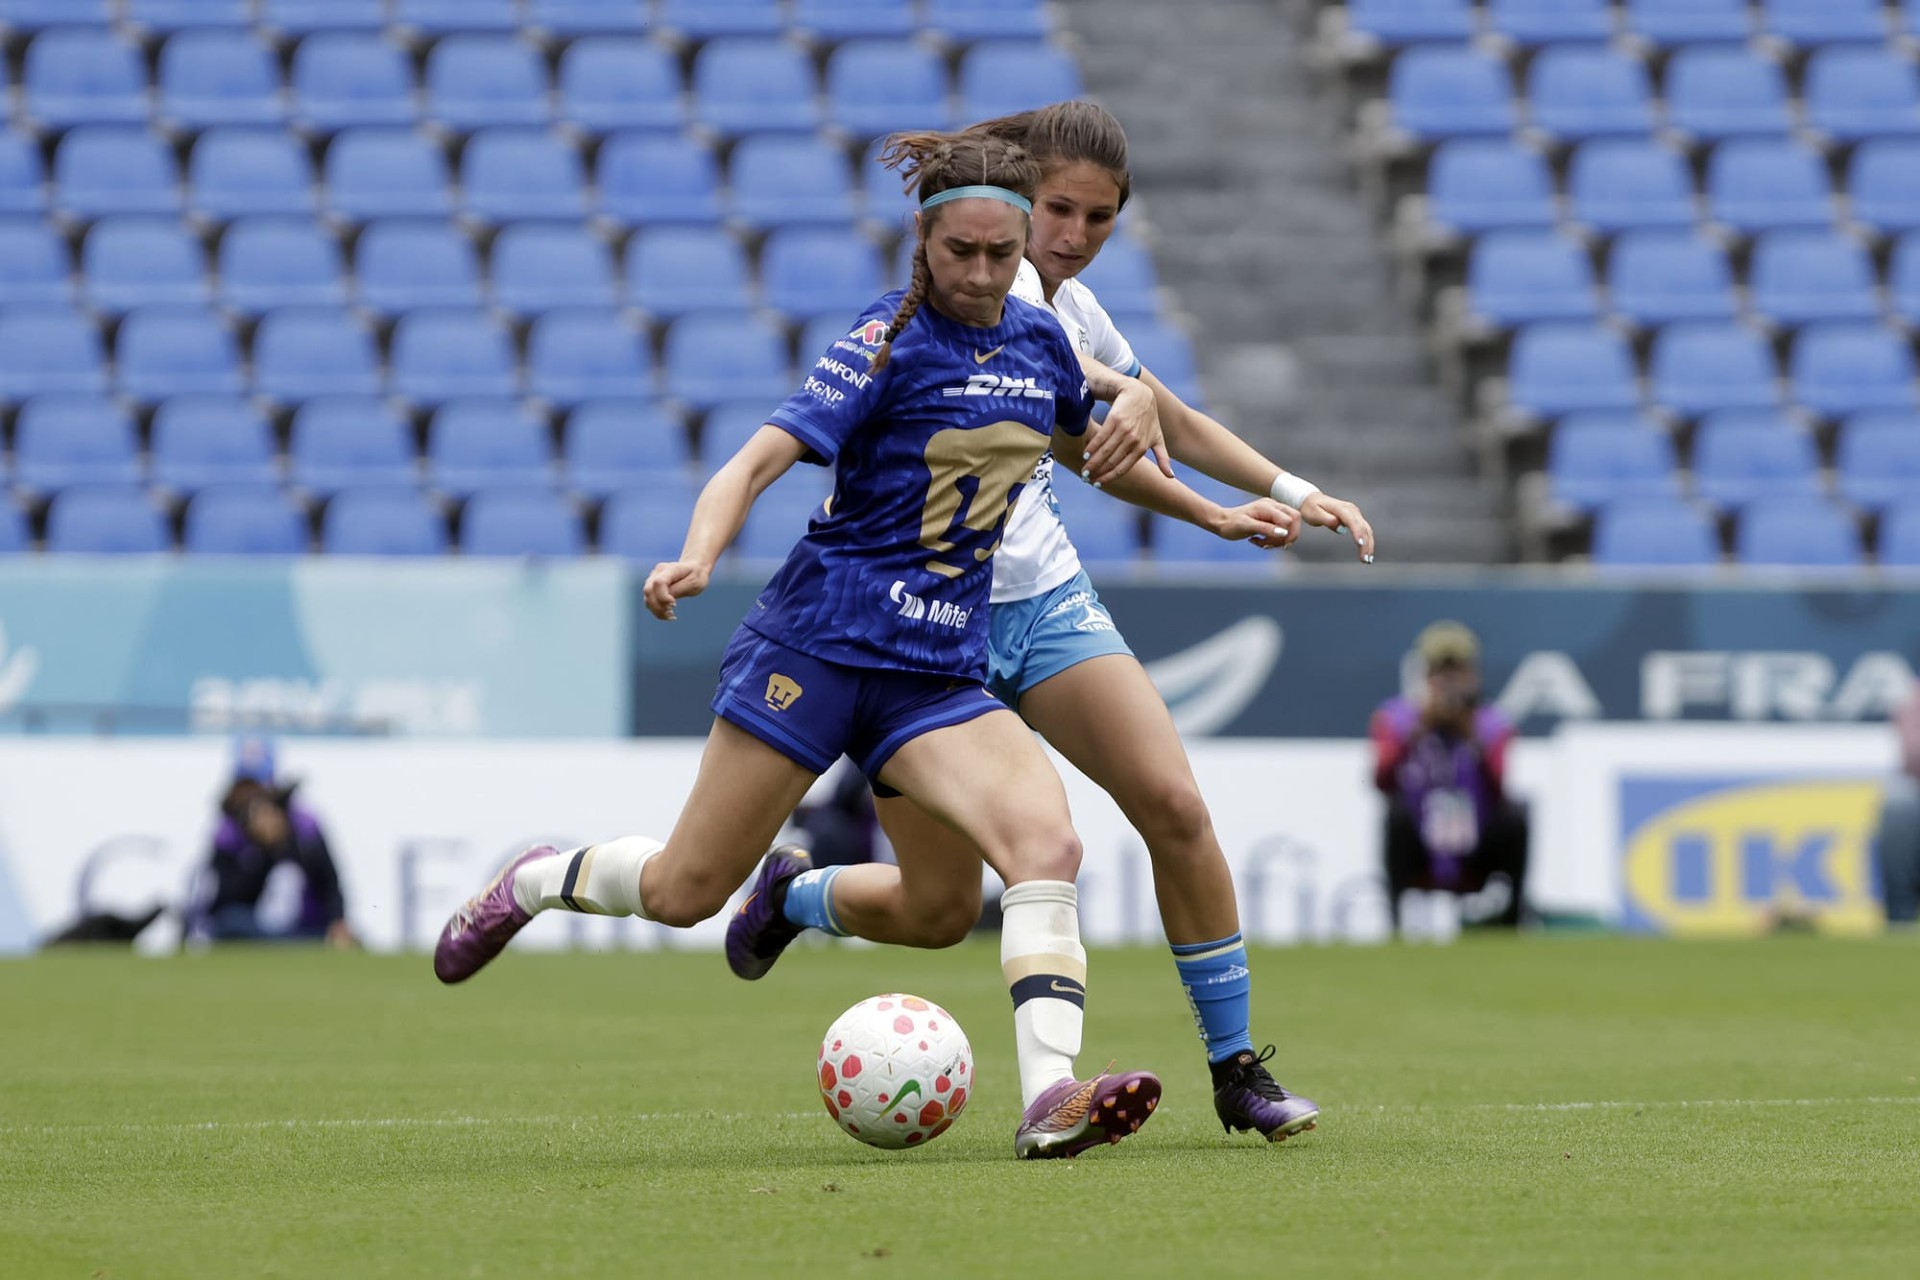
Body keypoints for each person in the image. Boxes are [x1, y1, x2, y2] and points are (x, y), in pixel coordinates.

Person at [433, 132, 1165, 1159]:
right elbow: (751, 463)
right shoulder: (881, 341)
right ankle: (532, 879)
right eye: (960, 252)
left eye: (1001, 255)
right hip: (817, 648)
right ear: (923, 240)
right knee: (686, 890)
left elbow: (1111, 421)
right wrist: (696, 556)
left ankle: (1050, 1097)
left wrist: (1156, 422)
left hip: (934, 676)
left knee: (1004, 874)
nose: (981, 274)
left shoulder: (1040, 342)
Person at [732, 103, 1372, 1144]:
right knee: (938, 910)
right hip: (926, 630)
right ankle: (795, 899)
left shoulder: (1072, 304)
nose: (1073, 235)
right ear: (1020, 201)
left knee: (1174, 804)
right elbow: (1111, 424)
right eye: (1059, 210)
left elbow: (1159, 420)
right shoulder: (991, 291)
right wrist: (1154, 432)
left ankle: (1234, 1068)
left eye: (1099, 218)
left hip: (1046, 601)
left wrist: (1287, 490)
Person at [1372, 621, 1529, 933]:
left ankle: (1512, 919)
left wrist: (1470, 735)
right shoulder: (1396, 718)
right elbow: (1381, 780)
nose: (1448, 682)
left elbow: (1499, 787)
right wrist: (1419, 730)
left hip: (1477, 836)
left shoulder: (1492, 723)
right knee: (1394, 815)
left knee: (1516, 817)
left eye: (1457, 671)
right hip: (1421, 833)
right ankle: (1395, 924)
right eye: (1440, 672)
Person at [188, 737, 355, 947]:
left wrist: (337, 920)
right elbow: (224, 901)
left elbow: (329, 881)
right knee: (231, 923)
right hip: (255, 927)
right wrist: (262, 850)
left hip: (305, 925)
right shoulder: (228, 833)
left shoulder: (304, 825)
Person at [1872, 687, 1920, 927]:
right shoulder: (1914, 699)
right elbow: (1914, 755)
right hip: (1915, 787)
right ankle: (1900, 918)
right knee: (1899, 806)